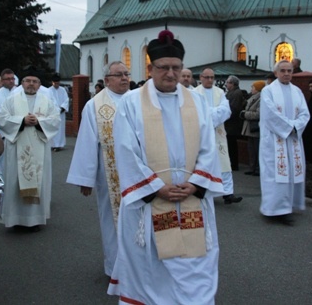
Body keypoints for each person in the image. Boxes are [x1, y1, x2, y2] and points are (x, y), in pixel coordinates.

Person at [107, 30, 223, 304]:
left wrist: (195, 183)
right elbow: (125, 151)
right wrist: (157, 188)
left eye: (176, 67)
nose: (170, 74)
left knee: (194, 264)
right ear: (150, 69)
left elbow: (209, 147)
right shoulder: (131, 103)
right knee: (151, 268)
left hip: (190, 197)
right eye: (163, 68)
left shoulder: (196, 101)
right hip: (149, 202)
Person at [66, 61, 130, 276]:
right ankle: (116, 269)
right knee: (112, 220)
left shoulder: (138, 100)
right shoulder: (94, 105)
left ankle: (138, 268)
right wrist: (86, 178)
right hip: (109, 174)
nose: (124, 78)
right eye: (119, 75)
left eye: (126, 74)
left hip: (139, 173)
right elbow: (87, 142)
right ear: (107, 80)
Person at [0, 66, 60, 231]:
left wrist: (39, 122)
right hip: (17, 149)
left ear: (39, 84)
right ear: (22, 83)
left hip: (40, 147)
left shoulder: (46, 101)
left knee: (39, 181)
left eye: (34, 81)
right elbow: (2, 119)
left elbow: (55, 121)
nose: (31, 84)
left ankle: (35, 220)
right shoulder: (11, 100)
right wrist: (22, 121)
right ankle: (16, 219)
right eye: (27, 81)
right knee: (14, 181)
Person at [259, 60, 309, 225]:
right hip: (275, 141)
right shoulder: (268, 91)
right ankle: (274, 209)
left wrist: (295, 126)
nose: (287, 73)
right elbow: (270, 115)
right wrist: (290, 127)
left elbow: (304, 113)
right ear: (276, 73)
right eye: (283, 71)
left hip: (292, 140)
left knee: (292, 173)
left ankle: (288, 207)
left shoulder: (297, 91)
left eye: (289, 70)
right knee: (275, 175)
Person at [195, 68, 242, 204]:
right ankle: (201, 190)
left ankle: (228, 193)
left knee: (224, 162)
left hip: (218, 133)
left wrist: (210, 115)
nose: (210, 80)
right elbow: (196, 111)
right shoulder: (194, 93)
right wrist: (214, 114)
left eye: (212, 77)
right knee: (203, 162)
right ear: (201, 77)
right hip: (201, 133)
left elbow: (226, 110)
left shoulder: (220, 92)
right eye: (207, 77)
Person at [241, 81, 265, 176]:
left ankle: (258, 168)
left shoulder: (261, 99)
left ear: (258, 89)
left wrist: (245, 114)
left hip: (255, 128)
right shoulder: (253, 98)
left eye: (253, 87)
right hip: (250, 128)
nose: (251, 89)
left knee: (257, 149)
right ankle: (252, 168)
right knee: (251, 149)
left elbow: (259, 114)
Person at [224, 75, 245, 171]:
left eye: (228, 82)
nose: (226, 84)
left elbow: (234, 108)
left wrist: (225, 115)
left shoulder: (236, 93)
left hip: (232, 124)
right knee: (230, 144)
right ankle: (231, 163)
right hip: (230, 124)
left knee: (232, 145)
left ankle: (234, 164)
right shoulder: (232, 93)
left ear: (232, 84)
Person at [48, 73, 69, 152]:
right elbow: (49, 101)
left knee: (61, 129)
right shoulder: (49, 90)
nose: (56, 84)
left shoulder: (62, 90)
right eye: (55, 83)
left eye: (58, 83)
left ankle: (60, 144)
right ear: (52, 82)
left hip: (61, 113)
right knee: (53, 128)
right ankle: (53, 145)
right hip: (53, 113)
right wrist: (56, 109)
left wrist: (62, 108)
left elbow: (66, 100)